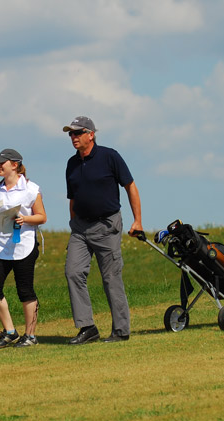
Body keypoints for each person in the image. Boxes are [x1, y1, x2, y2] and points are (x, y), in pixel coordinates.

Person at [62, 116, 145, 344]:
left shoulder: (110, 156)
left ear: (91, 134)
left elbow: (130, 186)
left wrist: (137, 220)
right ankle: (87, 328)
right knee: (73, 272)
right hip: (80, 227)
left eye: (77, 133)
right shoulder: (71, 163)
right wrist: (73, 224)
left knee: (111, 278)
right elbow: (72, 198)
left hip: (107, 225)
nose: (73, 137)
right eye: (71, 133)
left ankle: (121, 330)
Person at [0, 148, 47, 348]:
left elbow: (42, 217)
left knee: (25, 290)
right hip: (1, 246)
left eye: (2, 163)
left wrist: (25, 218)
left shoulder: (31, 188)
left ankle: (30, 335)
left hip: (24, 244)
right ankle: (10, 332)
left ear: (14, 164)